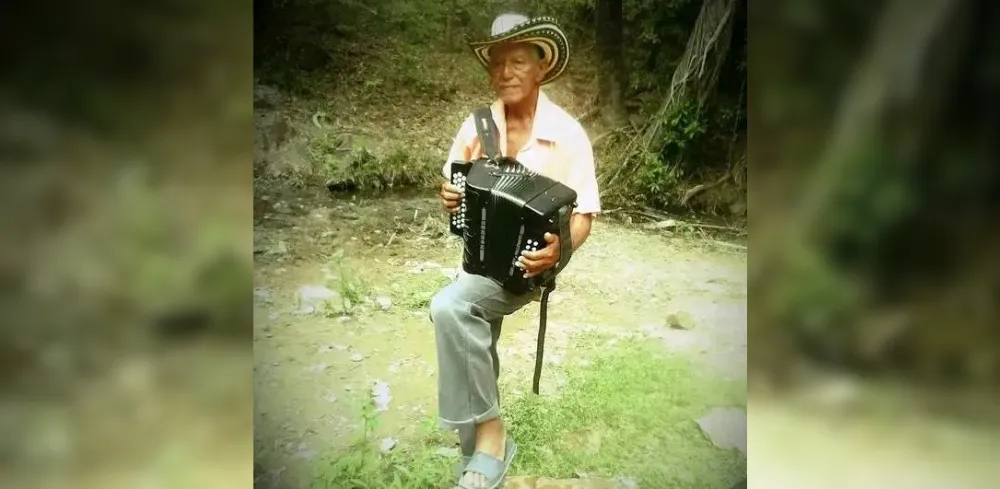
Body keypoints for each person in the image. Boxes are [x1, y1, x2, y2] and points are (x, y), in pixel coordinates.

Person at [429, 12, 601, 489]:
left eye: (517, 61)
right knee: (472, 326)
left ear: (541, 67)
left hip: (529, 266)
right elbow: (454, 183)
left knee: (451, 308)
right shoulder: (478, 125)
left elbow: (584, 214)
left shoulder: (567, 134)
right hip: (479, 259)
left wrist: (558, 252)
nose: (504, 72)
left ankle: (491, 439)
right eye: (497, 62)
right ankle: (478, 443)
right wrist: (450, 196)